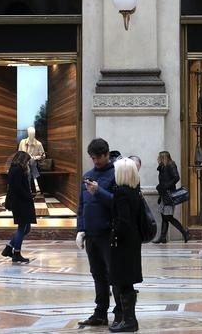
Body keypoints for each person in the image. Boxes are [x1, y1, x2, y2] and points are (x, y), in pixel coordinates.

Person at [76, 138, 117, 327]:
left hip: (109, 233)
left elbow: (119, 203)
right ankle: (100, 313)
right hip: (91, 235)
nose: (96, 161)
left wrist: (99, 191)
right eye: (93, 157)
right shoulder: (87, 175)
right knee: (98, 274)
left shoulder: (116, 175)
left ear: (107, 154)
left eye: (99, 157)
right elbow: (82, 205)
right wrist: (81, 229)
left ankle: (121, 312)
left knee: (114, 274)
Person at [108, 157, 144, 332]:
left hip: (123, 242)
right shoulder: (134, 191)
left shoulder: (121, 192)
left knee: (123, 281)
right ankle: (130, 319)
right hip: (133, 240)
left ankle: (129, 321)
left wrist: (114, 236)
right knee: (127, 281)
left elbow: (122, 220)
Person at [1, 151, 36, 264]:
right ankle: (16, 252)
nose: (27, 163)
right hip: (20, 203)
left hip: (22, 202)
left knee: (27, 228)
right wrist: (28, 196)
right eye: (26, 161)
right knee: (22, 228)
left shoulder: (17, 169)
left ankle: (9, 247)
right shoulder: (17, 169)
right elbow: (17, 188)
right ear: (22, 159)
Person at [153, 151, 189, 243]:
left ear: (163, 157)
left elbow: (176, 177)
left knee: (168, 217)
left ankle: (184, 233)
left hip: (169, 194)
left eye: (159, 157)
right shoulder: (162, 167)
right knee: (164, 216)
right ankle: (163, 237)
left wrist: (166, 186)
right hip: (164, 195)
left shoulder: (171, 165)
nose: (158, 158)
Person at [19, 126, 45, 194]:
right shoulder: (22, 142)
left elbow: (43, 155)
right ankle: (33, 187)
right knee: (29, 168)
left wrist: (35, 157)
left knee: (31, 165)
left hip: (33, 163)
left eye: (33, 133)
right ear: (28, 133)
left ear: (34, 134)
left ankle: (29, 189)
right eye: (30, 133)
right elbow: (19, 153)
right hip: (24, 164)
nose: (31, 135)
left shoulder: (38, 144)